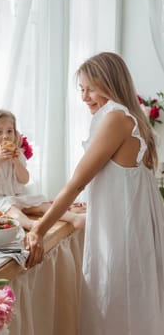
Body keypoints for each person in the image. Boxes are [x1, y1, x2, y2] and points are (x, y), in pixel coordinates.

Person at [25, 52, 164, 334]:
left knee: (114, 311)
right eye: (82, 90)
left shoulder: (115, 117)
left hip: (119, 240)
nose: (85, 97)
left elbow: (77, 181)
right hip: (129, 235)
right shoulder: (130, 119)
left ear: (110, 83)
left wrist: (39, 229)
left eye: (91, 88)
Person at [0, 108, 85, 230]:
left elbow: (24, 179)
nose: (5, 136)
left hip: (14, 197)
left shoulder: (18, 155)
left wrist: (17, 161)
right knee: (11, 208)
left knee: (40, 202)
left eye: (9, 131)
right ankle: (32, 225)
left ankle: (73, 218)